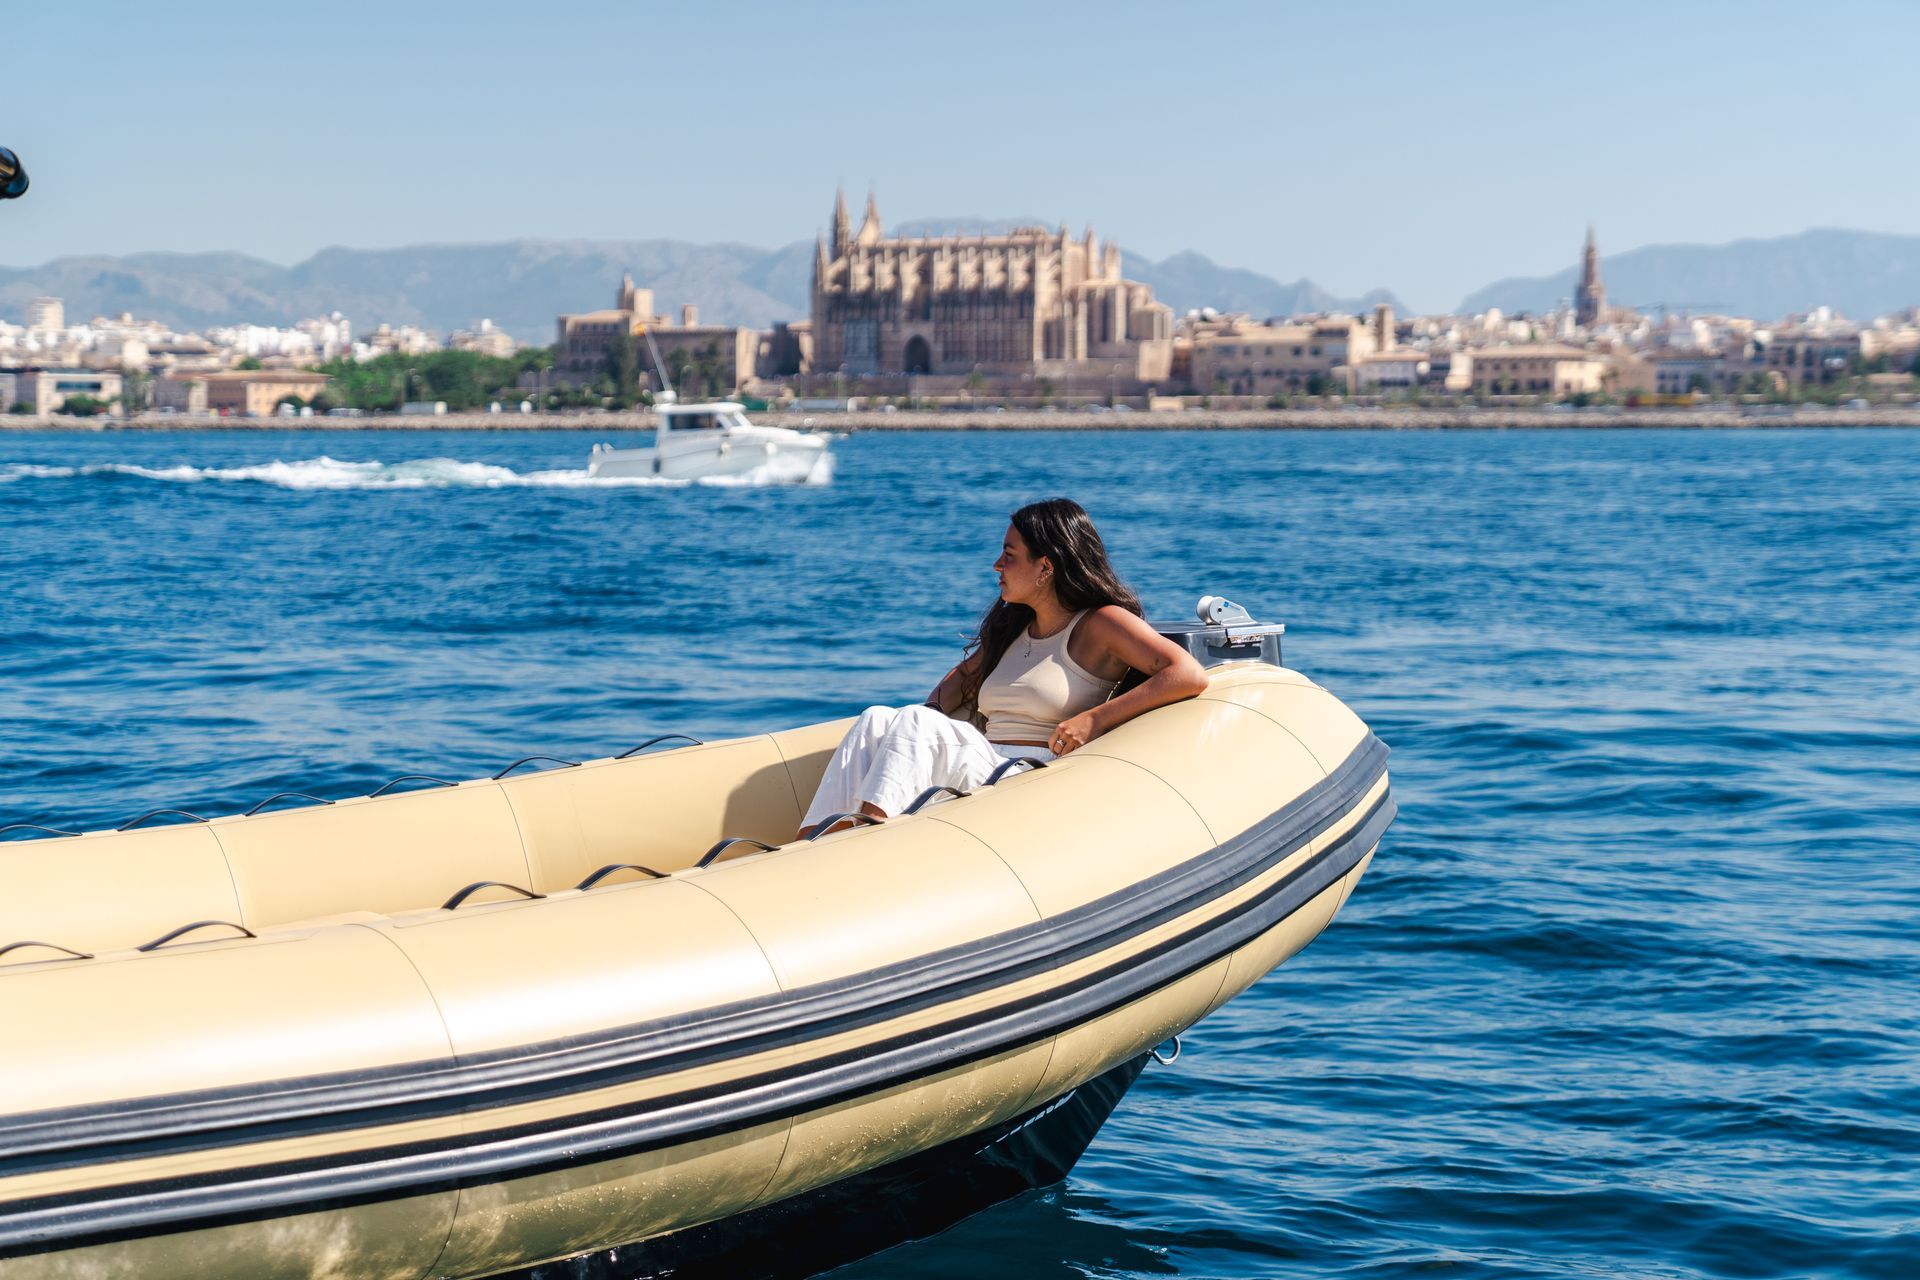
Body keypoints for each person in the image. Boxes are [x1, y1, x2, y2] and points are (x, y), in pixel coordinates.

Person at [799, 498, 1209, 837]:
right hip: (986, 765)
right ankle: (810, 844)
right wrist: (934, 712)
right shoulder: (1015, 627)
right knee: (876, 718)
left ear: (1045, 568)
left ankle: (862, 844)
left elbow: (1186, 674)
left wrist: (1095, 720)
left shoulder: (1101, 623)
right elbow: (963, 678)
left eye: (1009, 556)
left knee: (914, 722)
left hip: (1032, 776)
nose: (997, 565)